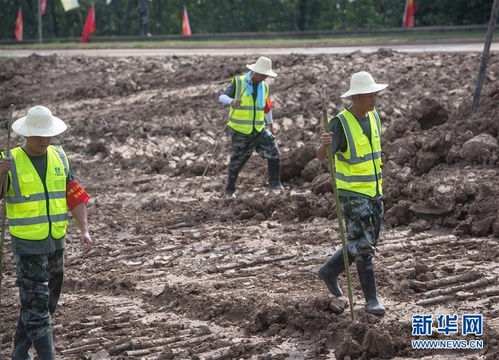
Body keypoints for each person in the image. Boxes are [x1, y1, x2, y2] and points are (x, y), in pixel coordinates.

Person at [0, 105, 94, 360]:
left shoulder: (60, 157)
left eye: (47, 134)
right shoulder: (8, 160)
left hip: (56, 243)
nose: (44, 140)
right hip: (28, 245)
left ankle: (19, 353)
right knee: (38, 307)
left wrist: (84, 229)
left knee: (44, 303)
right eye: (38, 135)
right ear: (26, 134)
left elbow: (74, 196)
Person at [316, 71, 388, 315]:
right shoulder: (340, 123)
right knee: (364, 246)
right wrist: (324, 144)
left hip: (374, 191)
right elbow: (322, 156)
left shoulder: (374, 116)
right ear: (356, 96)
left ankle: (329, 270)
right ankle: (371, 300)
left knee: (366, 240)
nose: (374, 98)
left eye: (375, 93)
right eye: (369, 94)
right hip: (351, 193)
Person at [218, 56, 283, 200]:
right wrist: (232, 101)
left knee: (274, 153)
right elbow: (221, 97)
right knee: (237, 161)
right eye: (264, 74)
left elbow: (266, 107)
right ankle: (229, 191)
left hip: (259, 130)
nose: (265, 77)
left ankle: (275, 184)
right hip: (241, 131)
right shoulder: (240, 82)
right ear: (256, 72)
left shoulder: (264, 86)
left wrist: (270, 125)